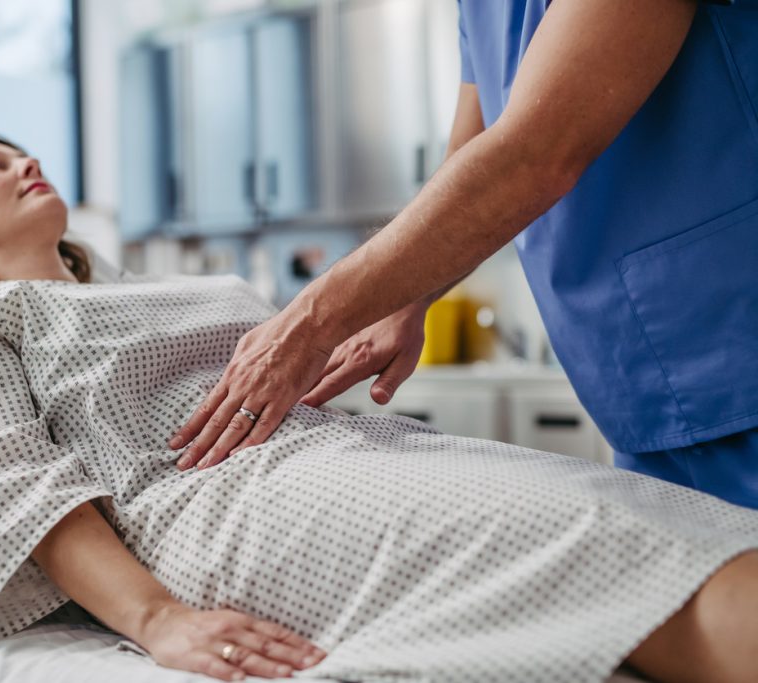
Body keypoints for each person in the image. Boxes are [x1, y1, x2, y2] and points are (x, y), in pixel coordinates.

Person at [0, 134, 758, 683]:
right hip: (218, 499)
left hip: (350, 451)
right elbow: (5, 487)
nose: (25, 163)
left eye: (21, 151)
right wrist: (158, 621)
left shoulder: (160, 292)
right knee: (595, 536)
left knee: (629, 511)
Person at [170, 0, 758, 510]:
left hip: (731, 340)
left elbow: (534, 152)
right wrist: (404, 299)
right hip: (642, 385)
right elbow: (471, 153)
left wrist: (310, 320)